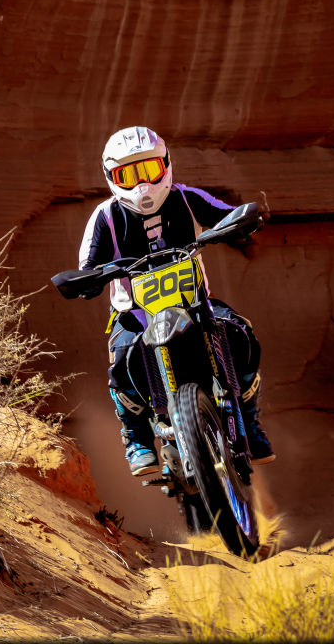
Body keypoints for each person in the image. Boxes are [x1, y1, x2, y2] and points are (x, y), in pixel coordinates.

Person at [78, 125, 275, 476]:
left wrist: (246, 220)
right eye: (129, 174)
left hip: (197, 305)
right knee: (121, 359)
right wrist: (88, 280)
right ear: (111, 177)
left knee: (241, 333)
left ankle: (248, 419)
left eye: (149, 170)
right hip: (135, 316)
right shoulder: (105, 218)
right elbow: (87, 265)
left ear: (166, 164)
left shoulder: (186, 198)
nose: (143, 184)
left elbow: (226, 214)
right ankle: (136, 437)